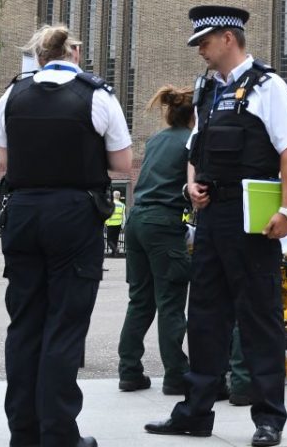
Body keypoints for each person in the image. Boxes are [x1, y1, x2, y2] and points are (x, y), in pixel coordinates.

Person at [145, 5, 287, 447]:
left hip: (253, 220)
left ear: (229, 39)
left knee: (258, 318)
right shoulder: (206, 89)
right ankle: (194, 412)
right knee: (205, 316)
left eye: (205, 43)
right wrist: (192, 187)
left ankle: (268, 419)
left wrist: (286, 212)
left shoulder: (267, 86)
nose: (201, 52)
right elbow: (196, 149)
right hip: (211, 217)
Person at [0, 24, 132, 447]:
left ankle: (24, 431)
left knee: (24, 324)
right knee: (64, 325)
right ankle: (58, 433)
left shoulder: (11, 95)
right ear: (74, 53)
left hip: (21, 212)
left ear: (39, 56)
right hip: (73, 213)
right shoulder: (97, 94)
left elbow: (3, 163)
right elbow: (123, 163)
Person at [117, 85, 194, 396]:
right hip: (163, 223)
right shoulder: (192, 141)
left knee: (140, 300)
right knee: (171, 302)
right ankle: (176, 375)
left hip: (136, 220)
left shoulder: (157, 139)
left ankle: (129, 371)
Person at [105, 190, 126, 256]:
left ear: (113, 196)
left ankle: (115, 250)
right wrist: (123, 225)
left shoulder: (110, 204)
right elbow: (124, 217)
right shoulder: (122, 205)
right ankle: (114, 253)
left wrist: (105, 222)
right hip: (118, 224)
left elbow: (107, 214)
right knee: (115, 239)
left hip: (110, 224)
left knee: (109, 240)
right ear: (119, 196)